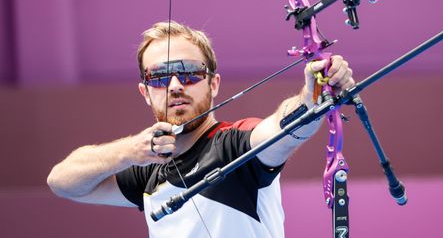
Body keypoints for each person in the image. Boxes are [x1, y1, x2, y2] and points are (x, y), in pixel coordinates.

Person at [47, 21, 355, 237]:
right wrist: (130, 152)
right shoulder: (147, 173)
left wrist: (312, 99)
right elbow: (62, 182)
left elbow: (282, 130)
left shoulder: (235, 147)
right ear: (145, 92)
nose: (176, 86)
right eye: (159, 77)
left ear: (214, 83)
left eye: (190, 73)